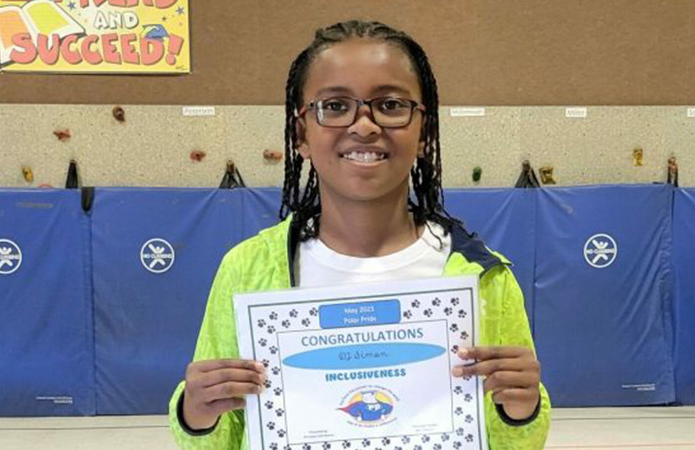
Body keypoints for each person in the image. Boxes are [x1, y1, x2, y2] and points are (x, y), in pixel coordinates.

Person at [169, 20, 550, 449]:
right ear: (301, 134)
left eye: (390, 104)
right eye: (334, 106)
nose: (365, 125)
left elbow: (516, 437)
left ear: (423, 132)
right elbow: (215, 437)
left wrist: (522, 410)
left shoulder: (485, 279)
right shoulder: (247, 270)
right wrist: (196, 415)